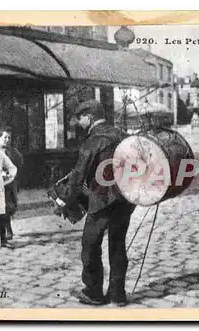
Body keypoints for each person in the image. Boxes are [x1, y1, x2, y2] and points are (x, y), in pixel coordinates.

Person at [53, 100, 136, 306]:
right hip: (125, 200)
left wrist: (62, 200)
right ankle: (118, 295)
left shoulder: (93, 141)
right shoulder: (123, 135)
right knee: (118, 245)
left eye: (80, 118)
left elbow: (78, 177)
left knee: (90, 246)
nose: (78, 123)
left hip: (101, 202)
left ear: (89, 117)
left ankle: (93, 292)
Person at [0, 127, 24, 240]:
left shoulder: (12, 151)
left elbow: (20, 161)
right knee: (3, 206)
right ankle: (7, 230)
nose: (7, 139)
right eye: (5, 137)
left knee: (11, 206)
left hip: (10, 183)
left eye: (9, 137)